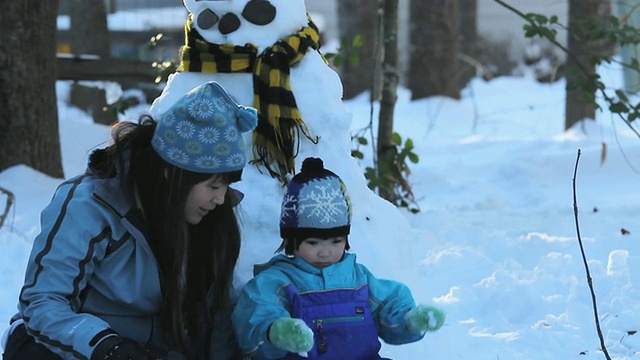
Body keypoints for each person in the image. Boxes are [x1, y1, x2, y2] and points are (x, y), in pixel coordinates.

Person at [0, 81, 258, 360]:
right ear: (173, 175)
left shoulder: (209, 219)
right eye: (213, 185)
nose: (220, 199)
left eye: (225, 186)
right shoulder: (92, 205)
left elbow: (212, 319)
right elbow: (43, 302)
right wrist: (106, 346)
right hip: (67, 345)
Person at [231, 157, 445, 359]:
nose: (325, 252)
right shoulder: (278, 281)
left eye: (335, 241)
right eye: (313, 243)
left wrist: (410, 321)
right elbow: (255, 316)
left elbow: (389, 307)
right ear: (291, 241)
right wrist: (275, 330)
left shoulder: (358, 279)